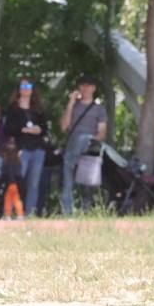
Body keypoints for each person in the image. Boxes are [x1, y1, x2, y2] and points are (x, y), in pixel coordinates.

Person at [59, 76, 108, 215]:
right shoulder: (73, 107)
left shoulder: (99, 109)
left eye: (88, 86)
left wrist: (89, 142)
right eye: (82, 86)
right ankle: (67, 213)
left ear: (93, 88)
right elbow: (64, 127)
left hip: (89, 151)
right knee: (67, 183)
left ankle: (85, 211)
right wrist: (70, 103)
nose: (85, 89)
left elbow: (102, 133)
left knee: (84, 138)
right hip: (71, 148)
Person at [4, 77, 50, 217]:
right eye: (23, 86)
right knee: (16, 182)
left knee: (33, 184)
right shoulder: (13, 108)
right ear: (19, 90)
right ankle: (10, 212)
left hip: (37, 149)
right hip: (21, 149)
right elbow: (8, 129)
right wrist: (23, 130)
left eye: (28, 86)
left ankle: (29, 213)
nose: (26, 89)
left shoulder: (38, 109)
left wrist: (38, 130)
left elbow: (45, 129)